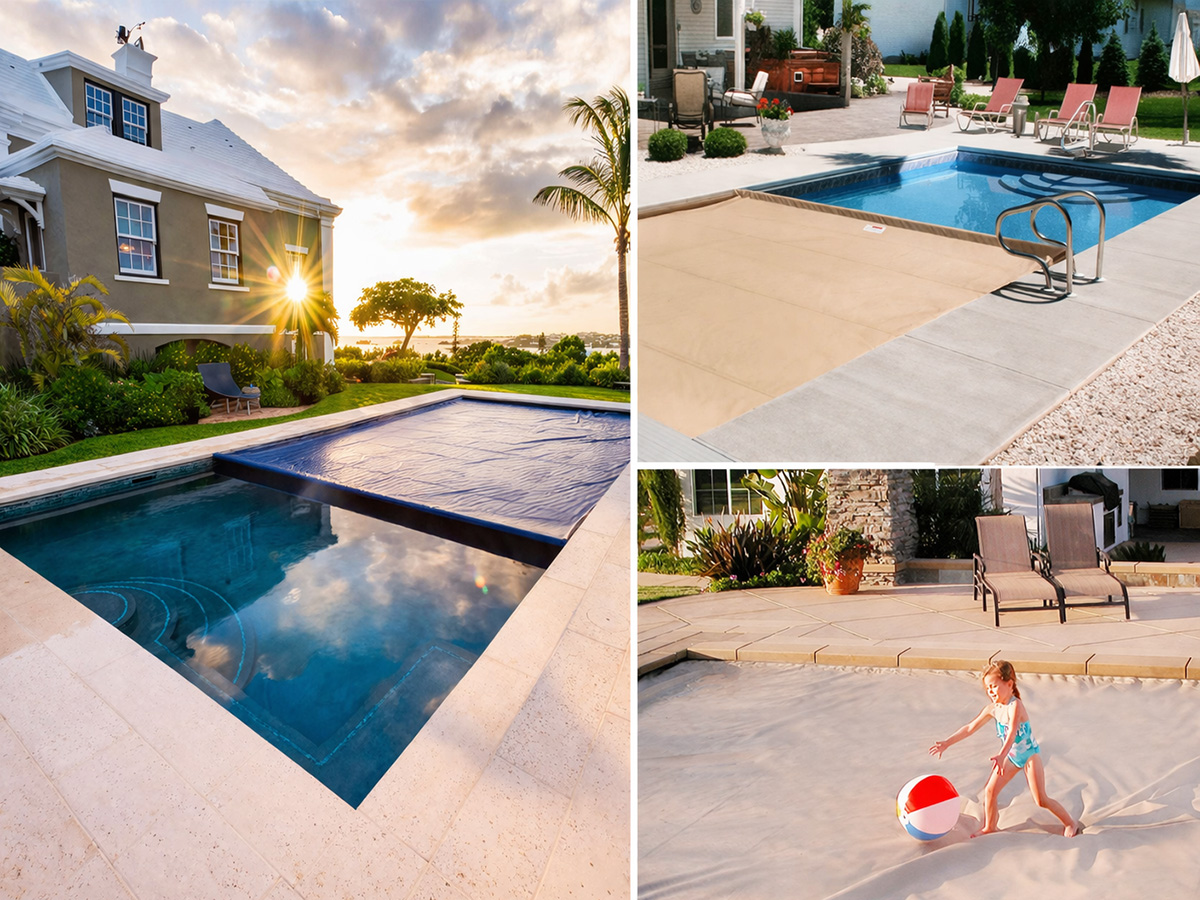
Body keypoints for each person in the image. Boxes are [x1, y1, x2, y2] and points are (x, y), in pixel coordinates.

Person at [929, 660, 1078, 838]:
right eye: (988, 688)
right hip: (1013, 756)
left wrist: (1001, 755)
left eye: (994, 686)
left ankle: (1070, 822)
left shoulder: (1016, 706)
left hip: (1029, 755)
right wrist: (947, 742)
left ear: (1009, 684)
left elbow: (1013, 731)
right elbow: (970, 727)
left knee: (1041, 800)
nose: (991, 692)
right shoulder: (992, 709)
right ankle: (990, 826)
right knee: (990, 791)